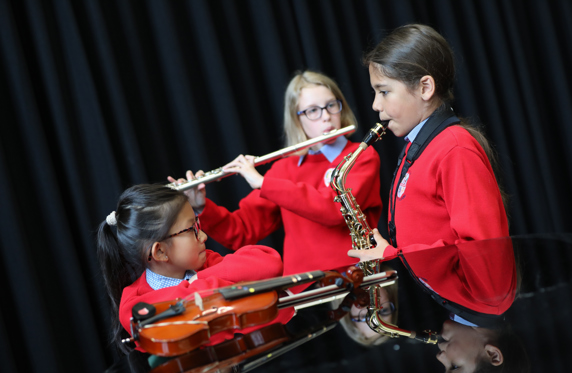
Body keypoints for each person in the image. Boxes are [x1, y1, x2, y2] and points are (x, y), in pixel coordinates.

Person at [347, 24, 525, 373]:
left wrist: (395, 254)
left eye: (383, 92)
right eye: (454, 368)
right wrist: (391, 249)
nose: (375, 106)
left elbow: (480, 246)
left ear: (424, 89)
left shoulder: (453, 146)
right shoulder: (431, 144)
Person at [170, 71, 382, 283]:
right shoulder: (284, 168)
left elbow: (335, 210)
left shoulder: (361, 156)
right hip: (303, 286)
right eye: (313, 111)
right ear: (297, 119)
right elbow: (241, 231)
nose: (326, 116)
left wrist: (263, 183)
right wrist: (202, 207)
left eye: (331, 105)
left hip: (354, 279)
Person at [96, 183, 286, 354]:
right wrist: (207, 286)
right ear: (160, 251)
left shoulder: (205, 264)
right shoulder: (136, 305)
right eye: (192, 230)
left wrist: (197, 281)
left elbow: (269, 263)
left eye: (198, 225)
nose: (203, 236)